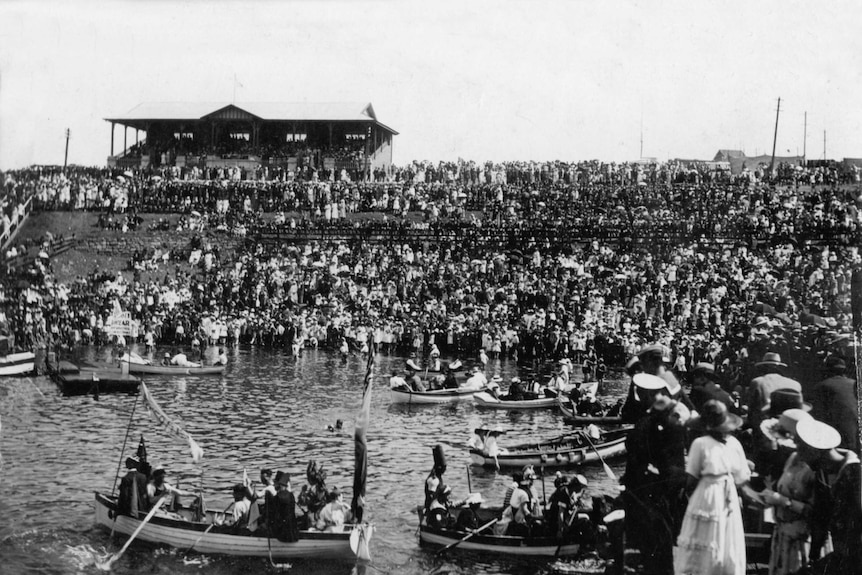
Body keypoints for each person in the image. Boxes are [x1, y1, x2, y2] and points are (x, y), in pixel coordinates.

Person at [622, 373, 688, 575]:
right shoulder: (667, 420)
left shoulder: (650, 423)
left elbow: (640, 451)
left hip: (649, 486)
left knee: (654, 536)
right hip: (660, 484)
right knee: (660, 535)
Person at [675, 400, 750, 575]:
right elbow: (741, 477)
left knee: (704, 533)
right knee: (726, 535)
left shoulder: (700, 444)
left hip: (708, 492)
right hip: (728, 491)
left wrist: (684, 491)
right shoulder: (734, 444)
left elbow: (691, 478)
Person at [794, 418, 862, 574]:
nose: (801, 457)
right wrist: (813, 559)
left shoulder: (855, 476)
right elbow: (821, 519)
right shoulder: (822, 475)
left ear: (816, 449)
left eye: (802, 450)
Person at [758, 410, 816, 575]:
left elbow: (815, 511)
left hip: (801, 539)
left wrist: (783, 501)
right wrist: (770, 497)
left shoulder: (814, 469)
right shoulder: (792, 459)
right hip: (782, 534)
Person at [812, 356, 859, 451]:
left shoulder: (822, 386)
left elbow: (818, 417)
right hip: (857, 437)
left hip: (840, 441)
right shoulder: (855, 384)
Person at [747, 352, 802, 430]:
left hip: (765, 426)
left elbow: (751, 411)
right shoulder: (796, 384)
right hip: (791, 426)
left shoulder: (758, 382)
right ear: (779, 367)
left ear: (764, 367)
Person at [267, 471, 299, 542]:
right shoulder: (291, 495)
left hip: (282, 531)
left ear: (279, 485)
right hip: (293, 530)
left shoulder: (277, 497)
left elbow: (274, 513)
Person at [425, 445, 446, 511]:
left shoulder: (438, 476)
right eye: (443, 468)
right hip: (433, 508)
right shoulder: (433, 479)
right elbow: (430, 496)